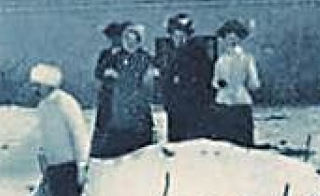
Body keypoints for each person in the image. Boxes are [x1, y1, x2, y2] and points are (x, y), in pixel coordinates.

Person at [29, 63, 90, 196]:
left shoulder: (65, 103)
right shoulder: (43, 106)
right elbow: (46, 136)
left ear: (48, 84)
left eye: (38, 84)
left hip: (69, 165)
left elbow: (79, 134)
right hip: (54, 166)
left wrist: (82, 164)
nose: (35, 89)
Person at [93, 23, 158, 159]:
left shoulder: (145, 58)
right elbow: (101, 72)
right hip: (116, 111)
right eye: (126, 40)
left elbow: (151, 80)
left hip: (138, 113)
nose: (129, 43)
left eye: (133, 40)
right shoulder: (113, 57)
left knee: (140, 152)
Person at [155, 13, 215, 142]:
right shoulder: (170, 54)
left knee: (194, 142)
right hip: (175, 106)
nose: (179, 39)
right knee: (177, 141)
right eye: (175, 35)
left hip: (195, 105)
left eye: (182, 35)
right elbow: (166, 80)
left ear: (188, 35)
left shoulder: (199, 53)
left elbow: (206, 78)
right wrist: (167, 100)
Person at [211, 18, 261, 147]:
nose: (232, 41)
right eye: (228, 37)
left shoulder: (247, 59)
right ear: (224, 39)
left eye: (235, 37)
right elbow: (215, 81)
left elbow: (254, 83)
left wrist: (242, 85)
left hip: (240, 103)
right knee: (225, 144)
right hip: (224, 103)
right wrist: (221, 84)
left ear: (240, 39)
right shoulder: (220, 60)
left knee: (242, 143)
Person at [89, 21, 127, 158]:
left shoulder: (128, 54)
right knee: (104, 122)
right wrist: (108, 65)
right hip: (107, 95)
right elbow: (98, 72)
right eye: (112, 38)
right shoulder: (105, 54)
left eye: (118, 37)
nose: (115, 41)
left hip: (123, 96)